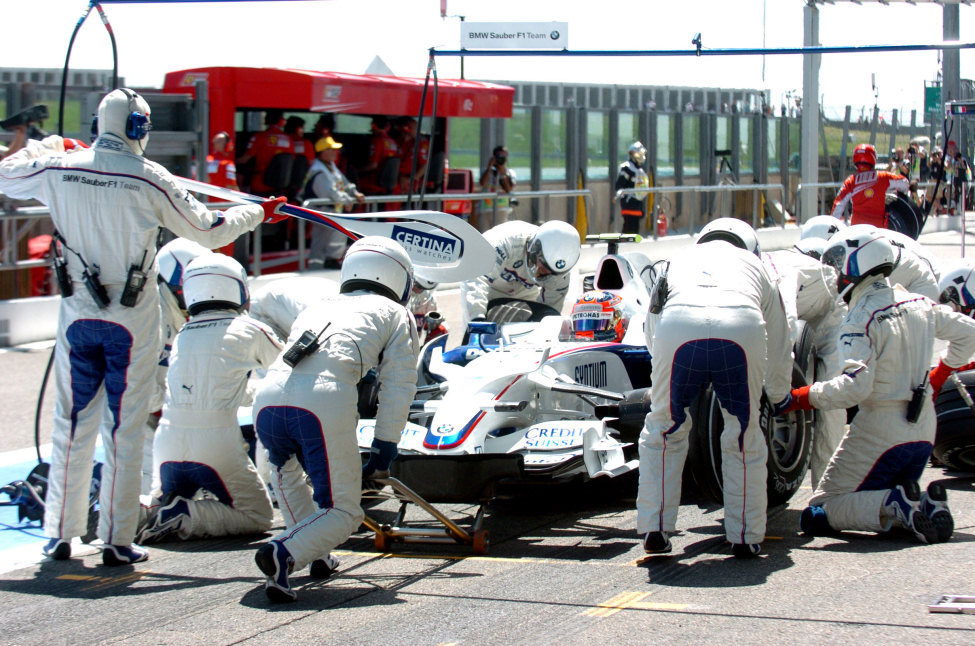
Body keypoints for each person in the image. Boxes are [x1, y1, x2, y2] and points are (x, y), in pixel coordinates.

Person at [0, 88, 286, 565]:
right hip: (131, 322)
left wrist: (47, 146)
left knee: (70, 426)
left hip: (77, 320)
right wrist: (258, 211)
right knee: (124, 430)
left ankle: (61, 536)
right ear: (138, 128)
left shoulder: (59, 168)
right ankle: (116, 539)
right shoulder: (149, 177)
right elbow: (211, 230)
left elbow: (7, 173)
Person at [252, 236, 419, 602]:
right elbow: (398, 386)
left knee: (288, 476)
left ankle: (309, 553)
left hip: (266, 398)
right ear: (399, 277)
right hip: (321, 402)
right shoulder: (397, 314)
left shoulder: (320, 304)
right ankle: (283, 552)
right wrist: (385, 445)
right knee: (344, 511)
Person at [785, 228, 975, 544]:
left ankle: (895, 505)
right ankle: (925, 503)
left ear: (858, 262)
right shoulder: (918, 301)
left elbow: (855, 388)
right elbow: (970, 333)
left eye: (838, 263)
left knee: (817, 511)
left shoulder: (859, 318)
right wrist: (940, 374)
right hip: (924, 432)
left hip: (880, 430)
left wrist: (801, 397)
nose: (835, 274)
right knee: (881, 494)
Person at [638, 218, 792, 558]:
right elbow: (781, 337)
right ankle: (745, 535)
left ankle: (655, 526)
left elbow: (651, 322)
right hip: (740, 327)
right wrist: (779, 393)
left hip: (677, 329)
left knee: (663, 428)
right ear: (749, 245)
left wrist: (661, 378)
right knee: (743, 435)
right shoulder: (757, 265)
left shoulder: (677, 258)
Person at [138, 254, 282, 543]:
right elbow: (290, 374)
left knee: (158, 496)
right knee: (258, 515)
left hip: (166, 443)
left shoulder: (183, 334)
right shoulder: (252, 329)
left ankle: (139, 512)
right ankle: (185, 515)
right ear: (238, 287)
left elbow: (216, 389)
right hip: (216, 445)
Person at [762, 243, 845, 488]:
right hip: (801, 297)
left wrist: (779, 395)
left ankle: (827, 490)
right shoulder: (745, 269)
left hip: (829, 307)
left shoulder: (776, 271)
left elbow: (784, 326)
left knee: (832, 392)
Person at [459, 220, 581, 327]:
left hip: (526, 291)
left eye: (552, 272)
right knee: (476, 331)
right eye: (543, 265)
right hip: (488, 284)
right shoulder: (504, 241)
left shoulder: (562, 273)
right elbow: (476, 278)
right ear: (534, 247)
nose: (544, 273)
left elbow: (550, 311)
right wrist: (477, 318)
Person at [304, 136, 364, 269]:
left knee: (331, 237)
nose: (336, 152)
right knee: (320, 242)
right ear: (323, 152)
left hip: (330, 210)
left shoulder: (331, 166)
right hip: (320, 210)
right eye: (332, 149)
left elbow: (344, 183)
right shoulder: (318, 170)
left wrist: (355, 193)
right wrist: (347, 200)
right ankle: (317, 267)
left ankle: (330, 261)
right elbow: (329, 192)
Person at [831, 143, 910, 228]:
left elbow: (838, 205)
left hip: (856, 229)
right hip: (878, 230)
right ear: (873, 157)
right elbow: (904, 183)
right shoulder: (883, 177)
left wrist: (832, 227)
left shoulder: (850, 181)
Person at [238, 109, 292, 196]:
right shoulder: (288, 139)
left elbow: (245, 159)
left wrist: (232, 162)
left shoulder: (259, 137)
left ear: (266, 119)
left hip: (260, 183)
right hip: (281, 186)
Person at [356, 115, 399, 196]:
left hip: (374, 182)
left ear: (373, 125)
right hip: (390, 184)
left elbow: (373, 165)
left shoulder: (376, 141)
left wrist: (357, 170)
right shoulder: (393, 142)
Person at [615, 142, 650, 235]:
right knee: (628, 228)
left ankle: (632, 246)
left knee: (635, 229)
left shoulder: (640, 169)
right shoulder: (626, 168)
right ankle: (624, 246)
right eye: (639, 154)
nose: (641, 156)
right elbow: (619, 186)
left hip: (638, 203)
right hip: (629, 203)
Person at [479, 144, 517, 226]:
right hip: (487, 207)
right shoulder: (487, 171)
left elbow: (509, 189)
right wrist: (489, 167)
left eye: (504, 156)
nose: (501, 158)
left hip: (502, 208)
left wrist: (503, 174)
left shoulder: (509, 172)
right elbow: (482, 183)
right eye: (499, 156)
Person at [395, 116, 429, 196]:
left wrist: (410, 180)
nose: (418, 131)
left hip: (408, 181)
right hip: (396, 177)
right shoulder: (399, 141)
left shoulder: (420, 143)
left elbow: (424, 167)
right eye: (416, 128)